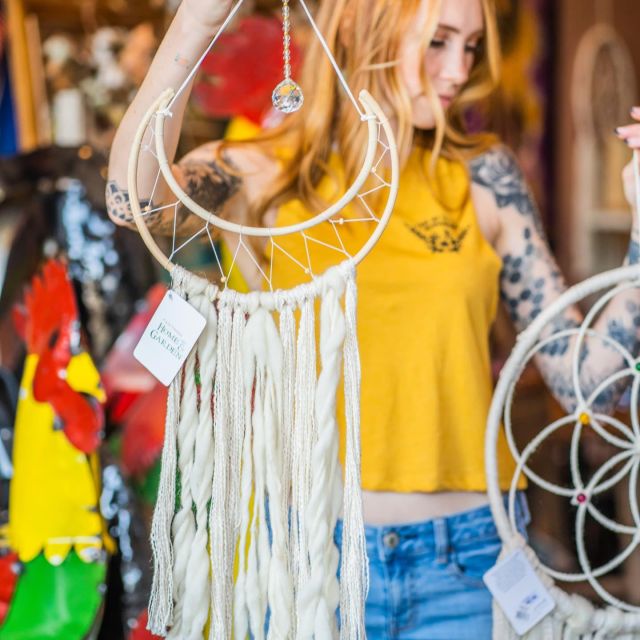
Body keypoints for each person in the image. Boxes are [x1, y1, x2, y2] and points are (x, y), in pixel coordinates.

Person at [106, 0, 640, 637]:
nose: (456, 71)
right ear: (361, 27)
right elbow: (130, 202)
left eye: (470, 48)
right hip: (305, 560)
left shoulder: (482, 177)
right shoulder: (264, 172)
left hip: (465, 562)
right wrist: (195, 22)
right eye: (439, 42)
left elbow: (594, 385)